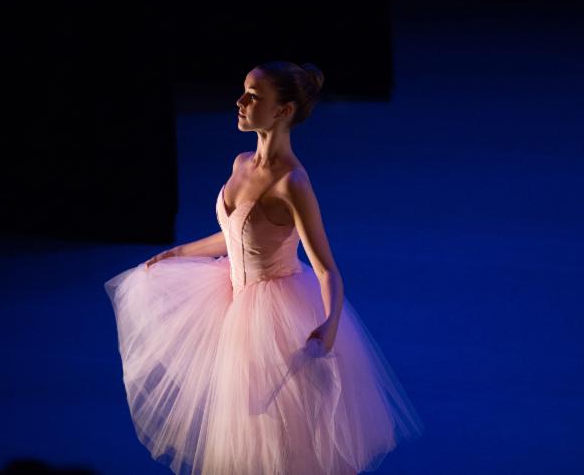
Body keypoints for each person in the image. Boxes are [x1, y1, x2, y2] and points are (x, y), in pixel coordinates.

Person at [104, 61, 424, 474]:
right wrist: (181, 253)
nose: (239, 102)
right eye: (243, 91)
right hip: (232, 304)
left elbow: (326, 268)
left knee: (276, 435)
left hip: (272, 318)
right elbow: (240, 237)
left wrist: (329, 325)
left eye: (253, 96)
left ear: (283, 111)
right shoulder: (240, 163)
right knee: (239, 428)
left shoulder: (292, 183)